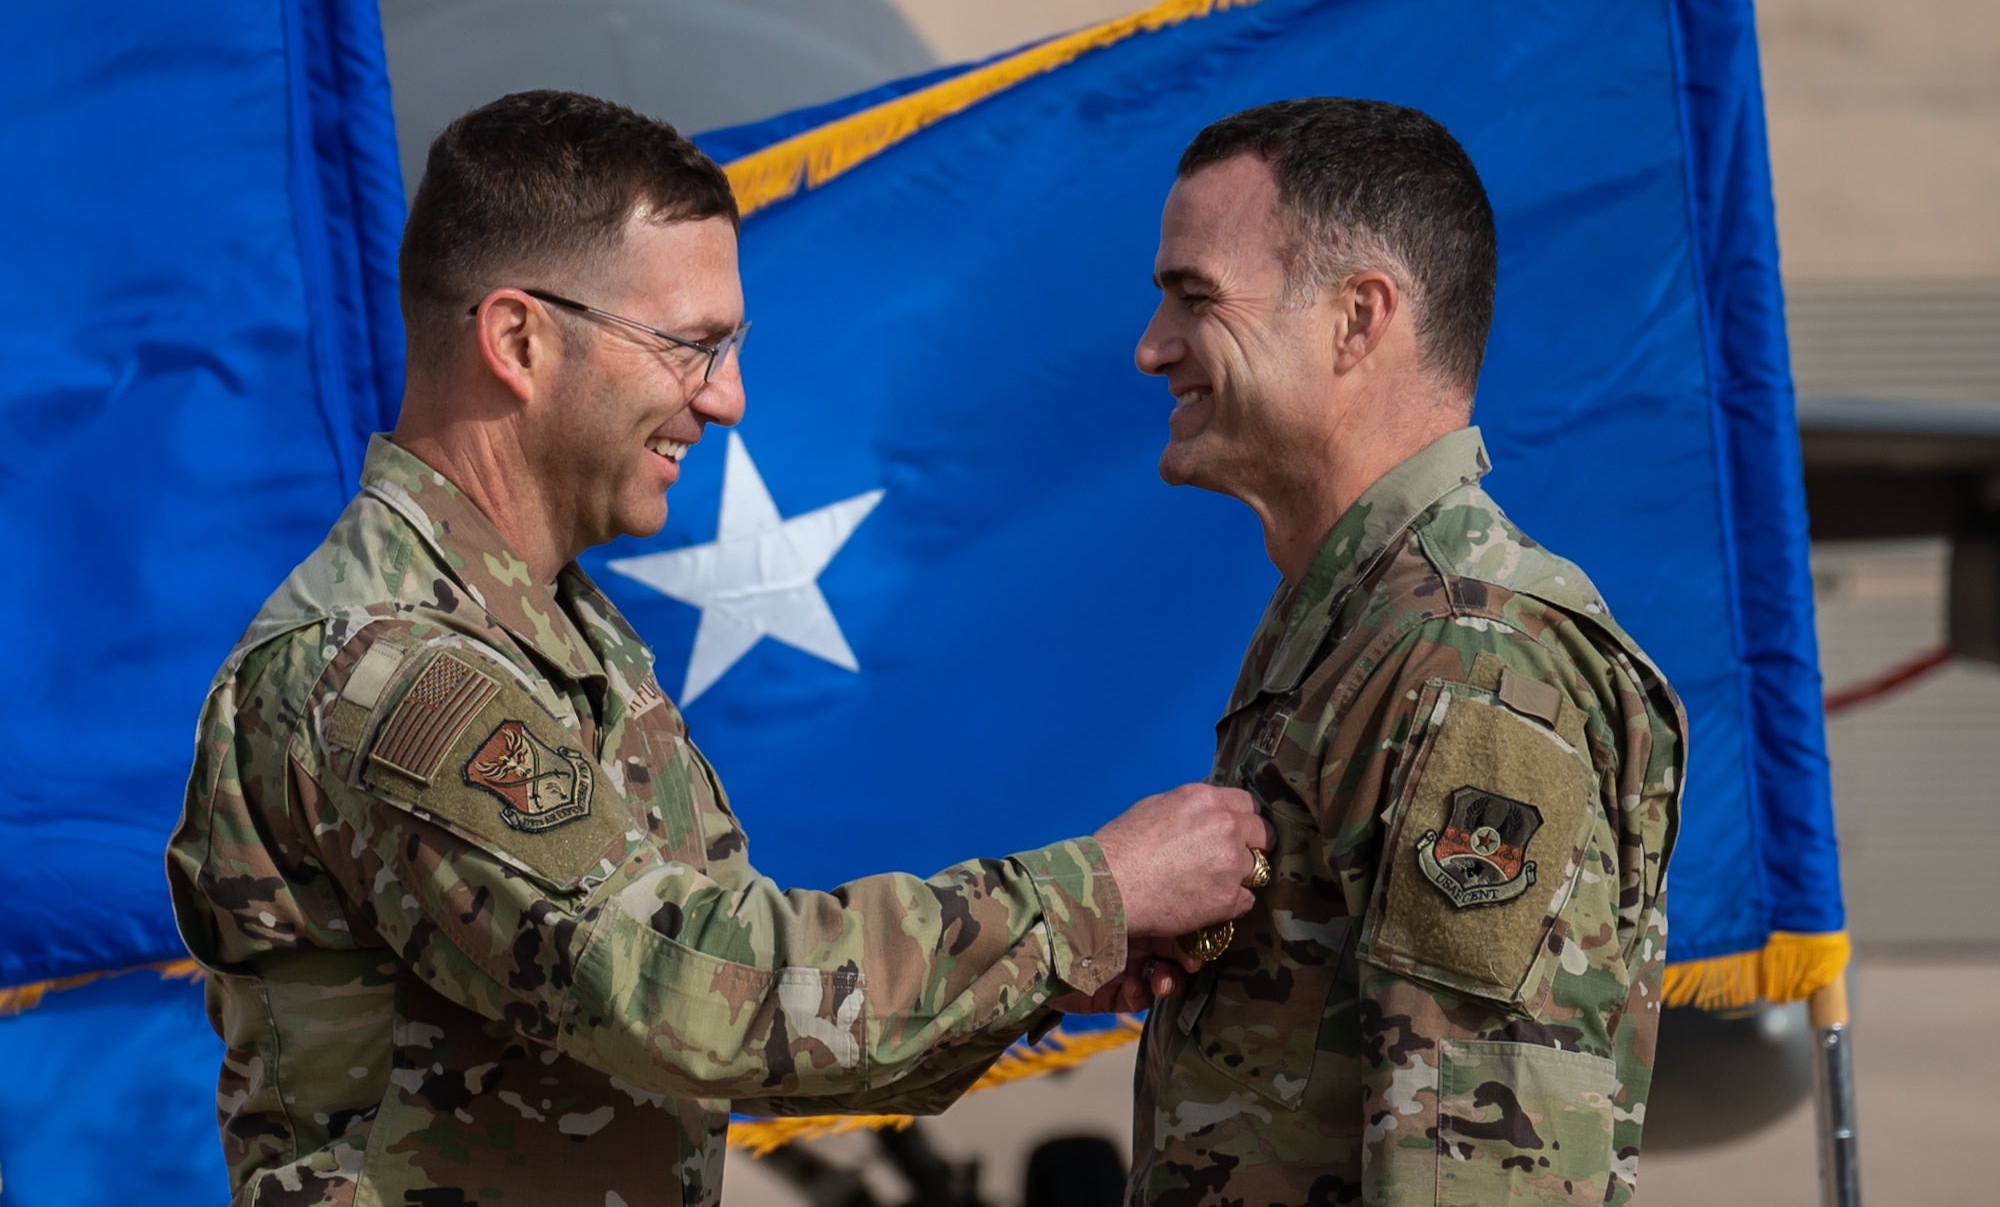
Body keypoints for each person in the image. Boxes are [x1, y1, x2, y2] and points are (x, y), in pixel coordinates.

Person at [165, 89, 1271, 1207]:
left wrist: (1046, 969)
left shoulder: (561, 639)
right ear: (517, 339)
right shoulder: (390, 667)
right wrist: (1089, 896)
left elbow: (753, 1020)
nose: (726, 398)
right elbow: (683, 993)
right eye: (689, 346)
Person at [1125, 98, 1686, 1207]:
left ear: (1355, 317)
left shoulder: (1467, 655)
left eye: (1195, 299)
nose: (1152, 348)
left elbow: (1479, 1170)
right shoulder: (1352, 620)